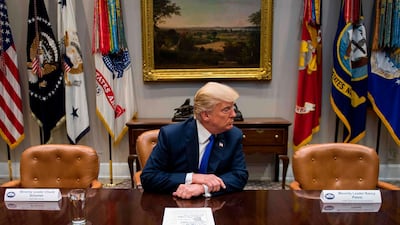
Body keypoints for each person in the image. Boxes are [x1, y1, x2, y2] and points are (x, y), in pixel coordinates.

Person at [141, 82, 249, 199]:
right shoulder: (172, 135)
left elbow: (239, 176)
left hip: (216, 205)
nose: (234, 114)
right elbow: (149, 177)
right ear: (205, 115)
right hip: (175, 201)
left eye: (233, 108)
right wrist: (193, 178)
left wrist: (203, 188)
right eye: (226, 110)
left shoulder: (233, 135)